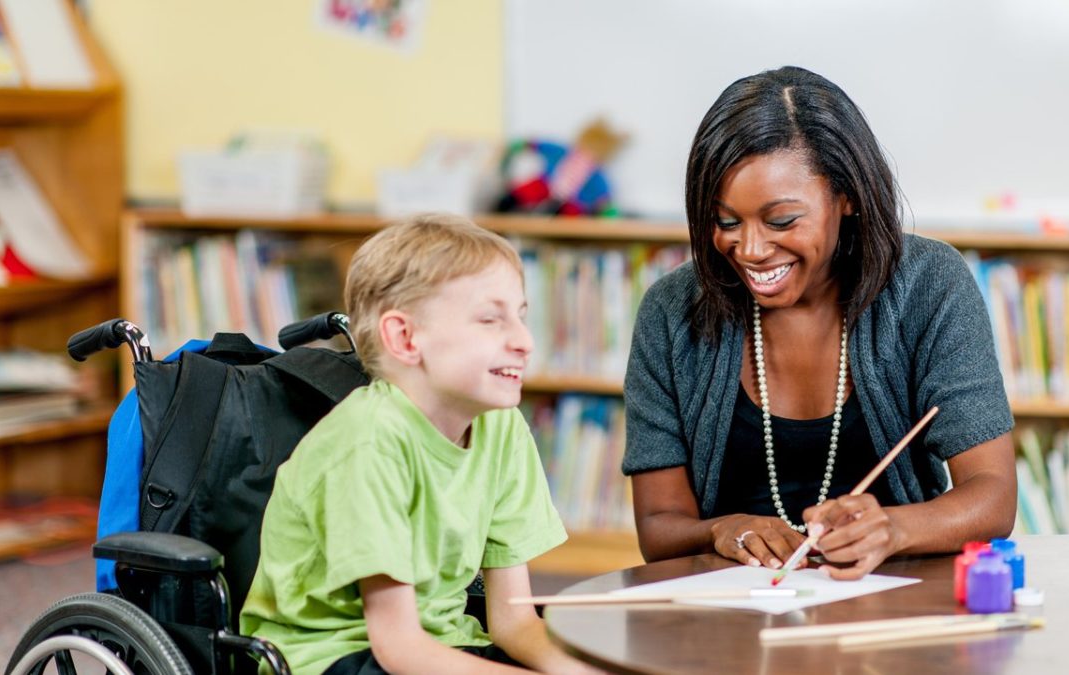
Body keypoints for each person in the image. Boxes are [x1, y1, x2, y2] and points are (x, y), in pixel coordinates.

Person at [622, 66, 1017, 580]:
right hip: (733, 618)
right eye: (726, 222)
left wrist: (894, 529)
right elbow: (658, 527)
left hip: (895, 606)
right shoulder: (671, 310)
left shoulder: (930, 285)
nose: (752, 249)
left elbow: (994, 496)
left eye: (782, 220)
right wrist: (723, 529)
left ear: (846, 196)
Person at [240, 214, 599, 675]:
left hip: (440, 645)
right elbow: (398, 648)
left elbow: (513, 621)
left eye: (522, 316)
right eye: (491, 319)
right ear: (405, 337)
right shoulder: (368, 441)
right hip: (333, 656)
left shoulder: (502, 427)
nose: (525, 341)